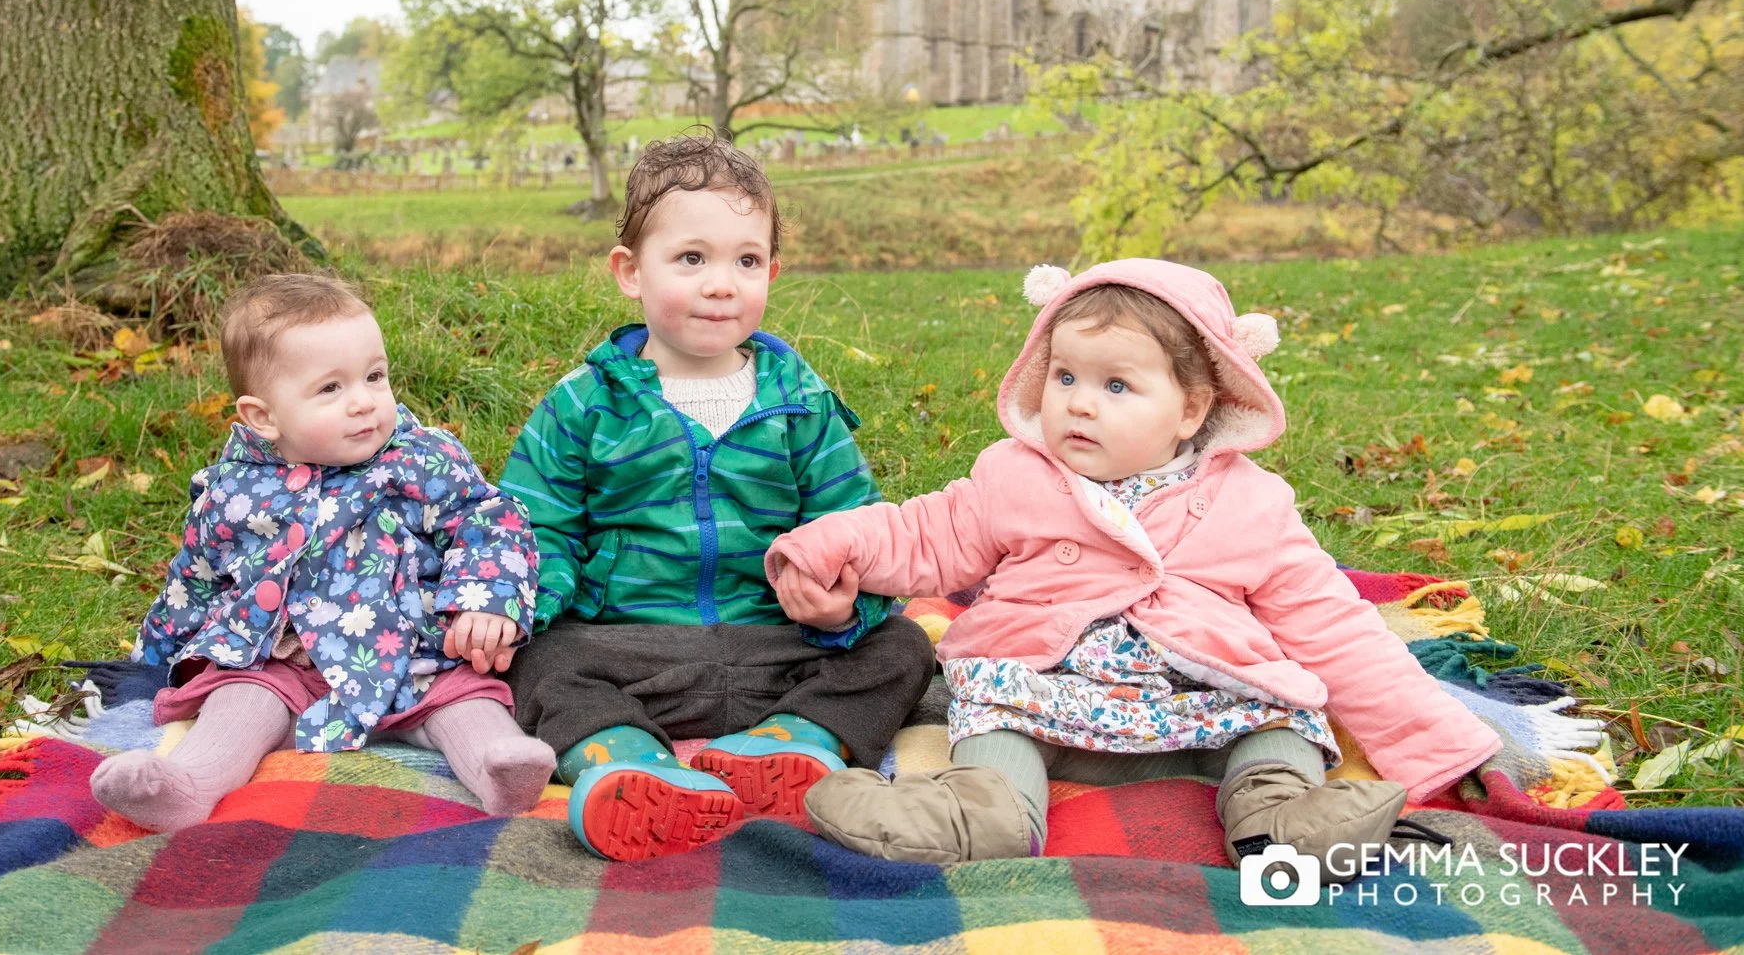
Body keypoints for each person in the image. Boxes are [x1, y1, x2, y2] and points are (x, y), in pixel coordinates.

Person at [770, 259, 1500, 876]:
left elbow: (1335, 624)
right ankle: (982, 813)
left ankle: (1276, 818)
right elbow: (926, 530)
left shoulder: (1249, 502)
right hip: (1050, 693)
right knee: (992, 712)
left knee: (1286, 718)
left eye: (1116, 386)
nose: (1080, 404)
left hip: (1206, 702)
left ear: (1191, 408)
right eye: (1064, 376)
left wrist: (1435, 742)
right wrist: (827, 545)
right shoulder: (1016, 475)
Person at [500, 133, 937, 861]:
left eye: (746, 260)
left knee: (903, 645)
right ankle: (630, 763)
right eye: (691, 258)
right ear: (630, 273)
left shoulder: (801, 402)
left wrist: (843, 605)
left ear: (772, 270)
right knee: (540, 660)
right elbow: (535, 525)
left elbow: (856, 526)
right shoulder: (586, 404)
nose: (721, 282)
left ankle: (792, 746)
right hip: (632, 648)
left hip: (780, 647)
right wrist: (521, 611)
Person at [91, 274, 555, 832]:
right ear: (263, 416)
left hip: (413, 657)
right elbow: (195, 578)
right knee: (238, 700)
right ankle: (188, 784)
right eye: (330, 389)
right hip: (285, 664)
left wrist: (486, 601)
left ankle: (497, 767)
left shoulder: (420, 460)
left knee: (468, 702)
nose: (363, 402)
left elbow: (491, 521)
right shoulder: (231, 491)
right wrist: (150, 662)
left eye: (374, 376)